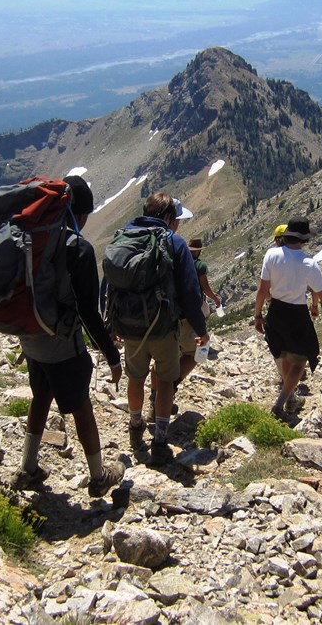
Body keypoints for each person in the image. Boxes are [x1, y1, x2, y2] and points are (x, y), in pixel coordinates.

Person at [8, 176, 126, 497]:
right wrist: (112, 356)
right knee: (81, 406)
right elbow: (88, 313)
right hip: (62, 344)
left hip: (31, 338)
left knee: (41, 396)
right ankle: (99, 476)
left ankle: (28, 468)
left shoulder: (30, 240)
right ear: (78, 213)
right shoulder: (78, 249)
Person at [114, 193, 208, 464]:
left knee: (136, 377)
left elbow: (109, 283)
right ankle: (160, 439)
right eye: (175, 219)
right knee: (165, 380)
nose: (177, 224)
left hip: (130, 325)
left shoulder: (124, 237)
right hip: (164, 325)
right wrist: (201, 329)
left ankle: (135, 428)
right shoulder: (174, 242)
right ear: (167, 218)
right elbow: (190, 293)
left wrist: (111, 324)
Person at [253, 217, 322, 421]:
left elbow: (262, 290)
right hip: (297, 314)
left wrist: (258, 315)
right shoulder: (309, 263)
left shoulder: (271, 254)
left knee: (285, 354)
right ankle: (281, 402)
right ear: (304, 239)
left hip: (276, 311)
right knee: (300, 358)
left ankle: (289, 398)